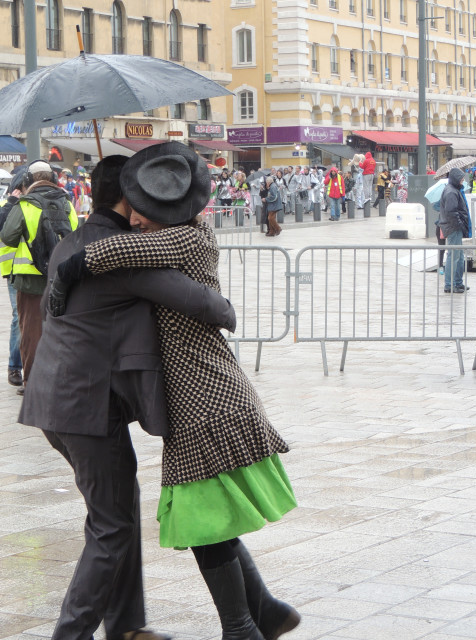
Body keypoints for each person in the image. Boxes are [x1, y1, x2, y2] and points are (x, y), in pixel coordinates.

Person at [49, 142, 300, 640]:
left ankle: (244, 626)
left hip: (203, 395)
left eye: (144, 210)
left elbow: (120, 251)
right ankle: (261, 613)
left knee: (200, 515)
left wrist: (71, 265)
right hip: (200, 394)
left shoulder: (182, 238)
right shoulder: (176, 236)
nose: (137, 221)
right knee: (203, 512)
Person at [20, 154, 237, 640]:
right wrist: (228, 309)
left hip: (64, 401)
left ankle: (125, 627)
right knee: (111, 526)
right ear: (127, 197)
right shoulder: (118, 252)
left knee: (118, 510)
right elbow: (204, 304)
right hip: (83, 406)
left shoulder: (75, 241)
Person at [0, 160, 78, 395]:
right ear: (54, 180)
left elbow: (7, 236)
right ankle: (57, 378)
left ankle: (32, 382)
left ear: (27, 182)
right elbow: (74, 236)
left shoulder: (25, 205)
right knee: (59, 331)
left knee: (31, 332)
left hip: (29, 281)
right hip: (61, 280)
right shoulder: (66, 204)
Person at [0, 166, 27, 392]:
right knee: (18, 318)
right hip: (14, 269)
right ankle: (14, 366)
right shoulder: (6, 204)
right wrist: (12, 201)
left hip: (36, 269)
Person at [439, 167, 471, 294]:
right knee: (454, 256)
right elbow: (451, 211)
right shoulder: (451, 192)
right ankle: (450, 284)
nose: (463, 180)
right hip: (454, 227)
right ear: (456, 178)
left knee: (458, 256)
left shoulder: (454, 190)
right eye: (461, 178)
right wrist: (460, 224)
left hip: (454, 227)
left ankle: (457, 282)